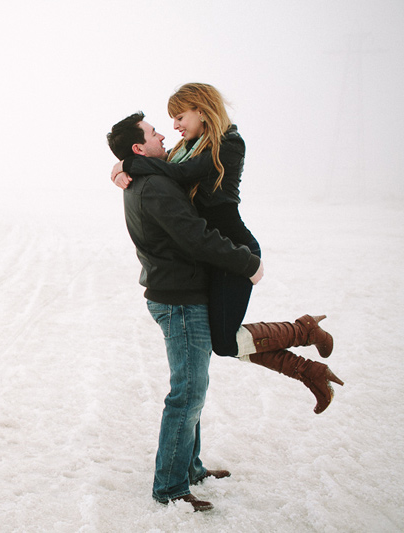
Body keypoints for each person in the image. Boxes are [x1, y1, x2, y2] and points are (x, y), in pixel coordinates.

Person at [106, 111, 342, 511]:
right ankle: (170, 486)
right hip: (179, 300)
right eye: (152, 133)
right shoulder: (155, 186)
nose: (163, 134)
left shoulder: (149, 176)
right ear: (138, 146)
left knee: (194, 388)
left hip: (179, 293)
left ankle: (190, 466)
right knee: (187, 394)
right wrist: (246, 263)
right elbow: (196, 238)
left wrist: (123, 165)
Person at [110, 85, 343, 415]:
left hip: (236, 250)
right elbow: (166, 171)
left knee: (223, 341)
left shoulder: (229, 144)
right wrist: (123, 166)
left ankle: (304, 335)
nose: (174, 126)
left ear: (202, 110)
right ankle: (309, 363)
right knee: (224, 340)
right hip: (213, 253)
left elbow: (180, 174)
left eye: (179, 117)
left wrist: (128, 164)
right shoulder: (184, 147)